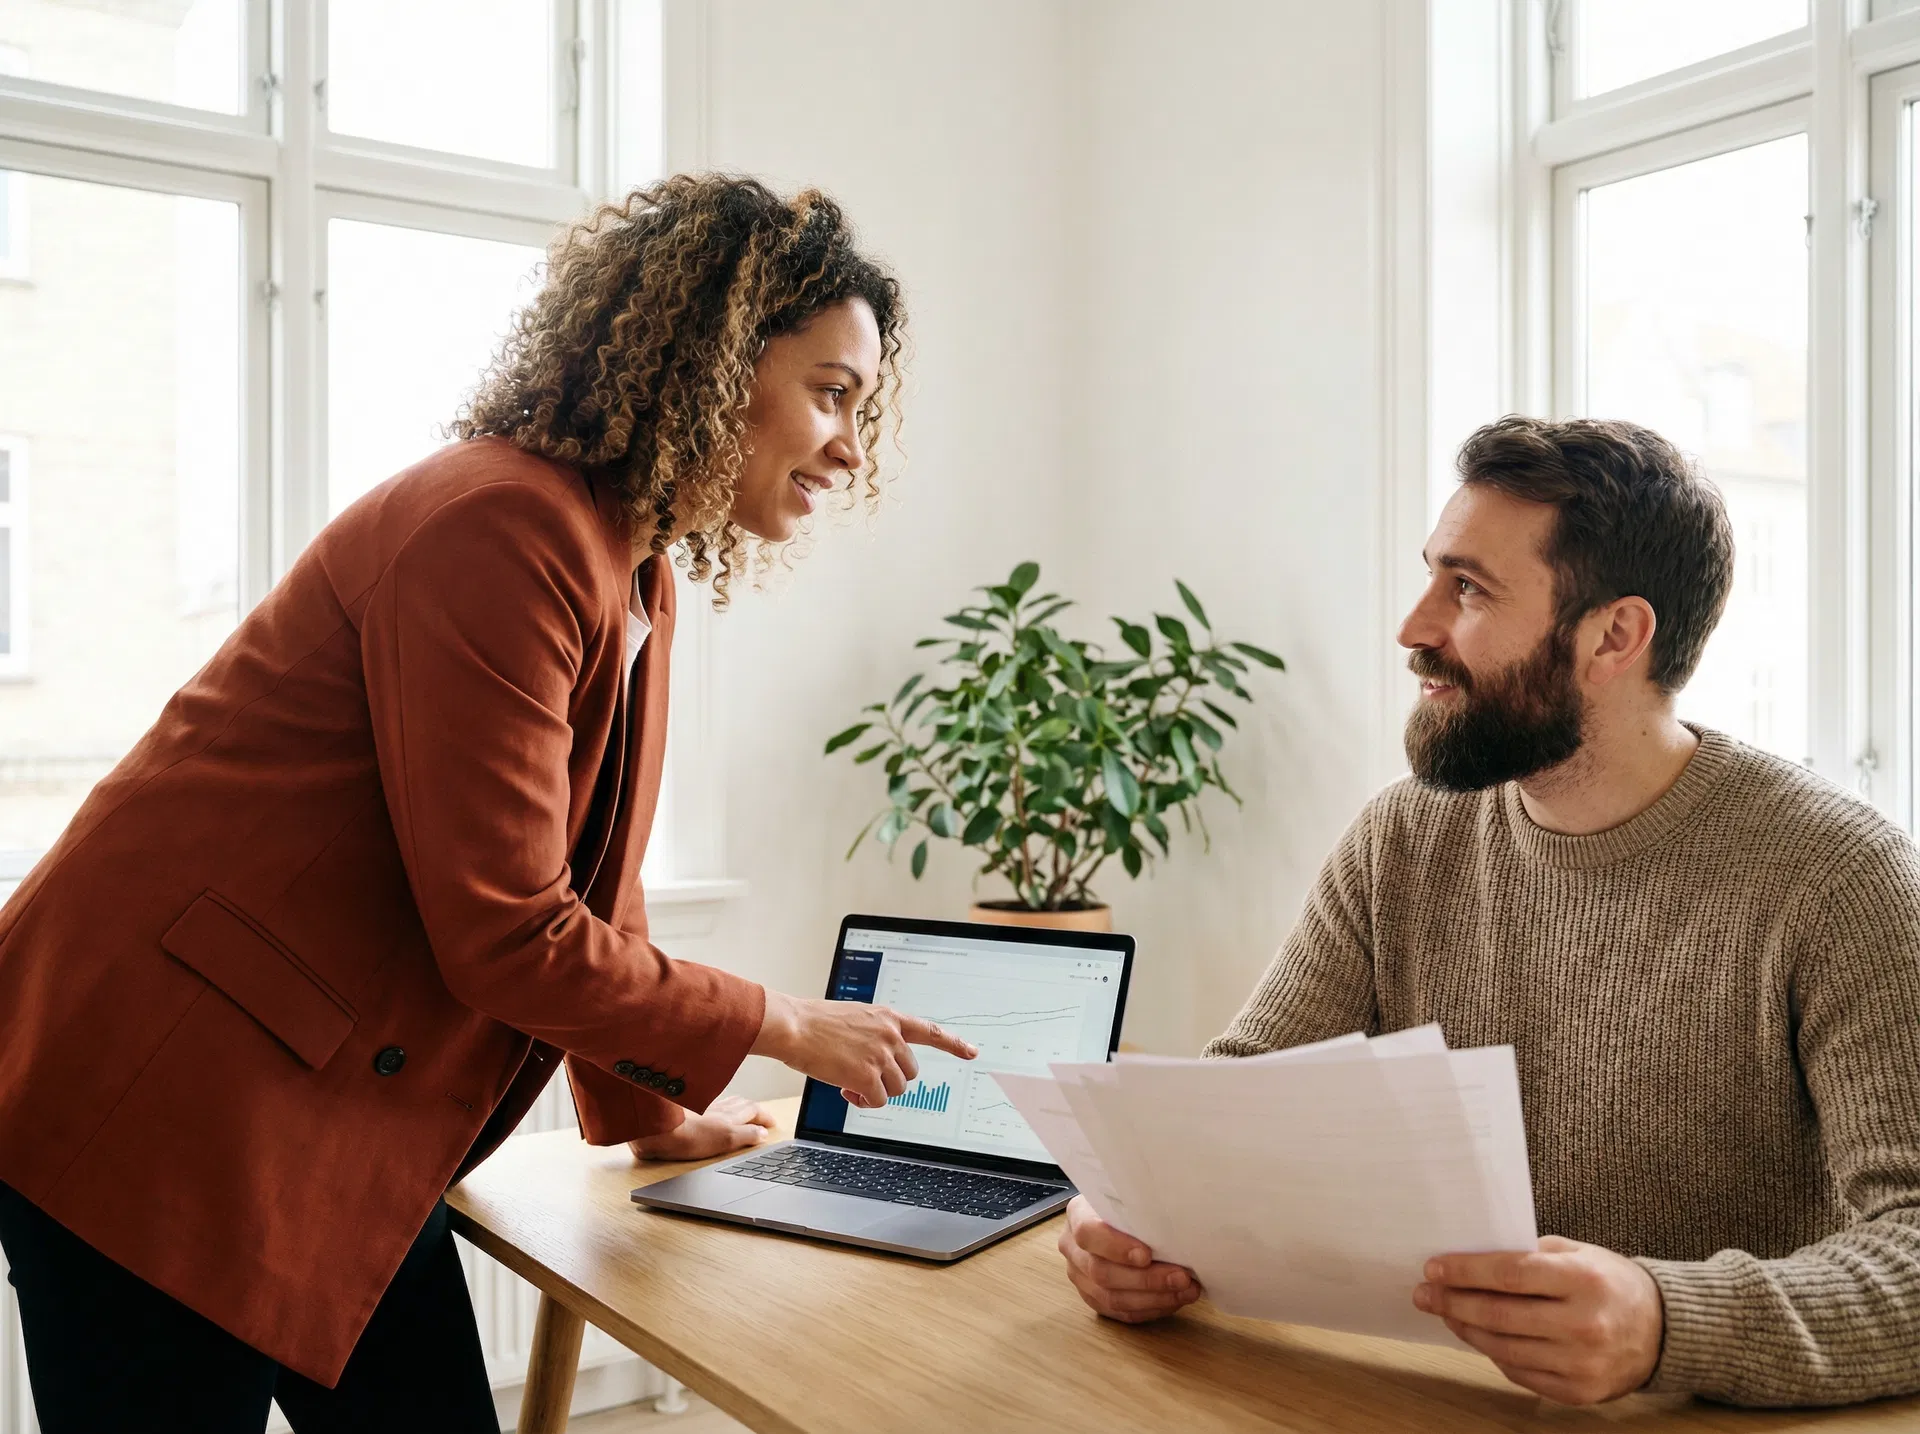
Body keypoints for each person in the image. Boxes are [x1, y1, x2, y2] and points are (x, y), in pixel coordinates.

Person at [0, 174, 976, 1433]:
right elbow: (510, 929)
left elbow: (597, 890)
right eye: (833, 393)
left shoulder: (637, 568)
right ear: (715, 361)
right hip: (166, 1092)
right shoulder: (503, 526)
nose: (851, 445)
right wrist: (786, 1023)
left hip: (323, 1102)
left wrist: (650, 1115)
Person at [1056, 415, 1920, 1409]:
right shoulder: (1404, 838)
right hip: (1440, 1400)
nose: (1414, 626)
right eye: (1434, 575)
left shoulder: (1843, 877)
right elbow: (1232, 1106)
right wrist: (1125, 1216)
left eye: (1467, 589)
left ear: (1613, 636)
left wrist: (1667, 1323)